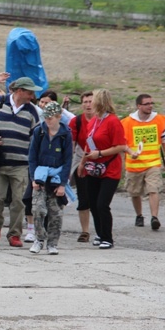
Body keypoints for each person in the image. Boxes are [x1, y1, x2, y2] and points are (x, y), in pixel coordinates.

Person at [0, 77, 41, 248]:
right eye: (29, 92)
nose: (32, 96)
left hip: (21, 165)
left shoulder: (32, 112)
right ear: (19, 91)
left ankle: (15, 234)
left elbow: (36, 139)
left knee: (19, 201)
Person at [77, 89, 128, 250]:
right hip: (94, 167)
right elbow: (88, 143)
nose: (89, 103)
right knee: (92, 203)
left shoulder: (113, 121)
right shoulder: (94, 121)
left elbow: (120, 146)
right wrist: (82, 162)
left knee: (102, 204)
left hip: (110, 169)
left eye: (93, 100)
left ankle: (108, 237)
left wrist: (100, 153)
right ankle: (99, 233)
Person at [28, 102, 73, 255]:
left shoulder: (65, 134)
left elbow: (68, 161)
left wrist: (62, 184)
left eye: (51, 118)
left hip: (56, 179)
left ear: (59, 117)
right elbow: (32, 157)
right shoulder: (38, 132)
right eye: (46, 117)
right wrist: (34, 178)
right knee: (38, 209)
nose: (48, 120)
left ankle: (52, 243)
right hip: (40, 177)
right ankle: (39, 239)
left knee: (55, 214)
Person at [121, 94, 165, 230]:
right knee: (135, 192)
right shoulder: (127, 122)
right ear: (139, 106)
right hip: (134, 165)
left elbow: (164, 141)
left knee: (153, 189)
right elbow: (122, 143)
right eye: (147, 103)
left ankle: (154, 217)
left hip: (153, 163)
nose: (150, 106)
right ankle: (139, 215)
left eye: (151, 103)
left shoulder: (158, 120)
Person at [69, 91, 95, 243]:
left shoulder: (104, 120)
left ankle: (102, 230)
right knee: (83, 198)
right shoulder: (76, 121)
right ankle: (85, 231)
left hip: (101, 162)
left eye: (91, 101)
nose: (88, 105)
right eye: (85, 102)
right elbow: (71, 146)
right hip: (81, 161)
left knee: (98, 200)